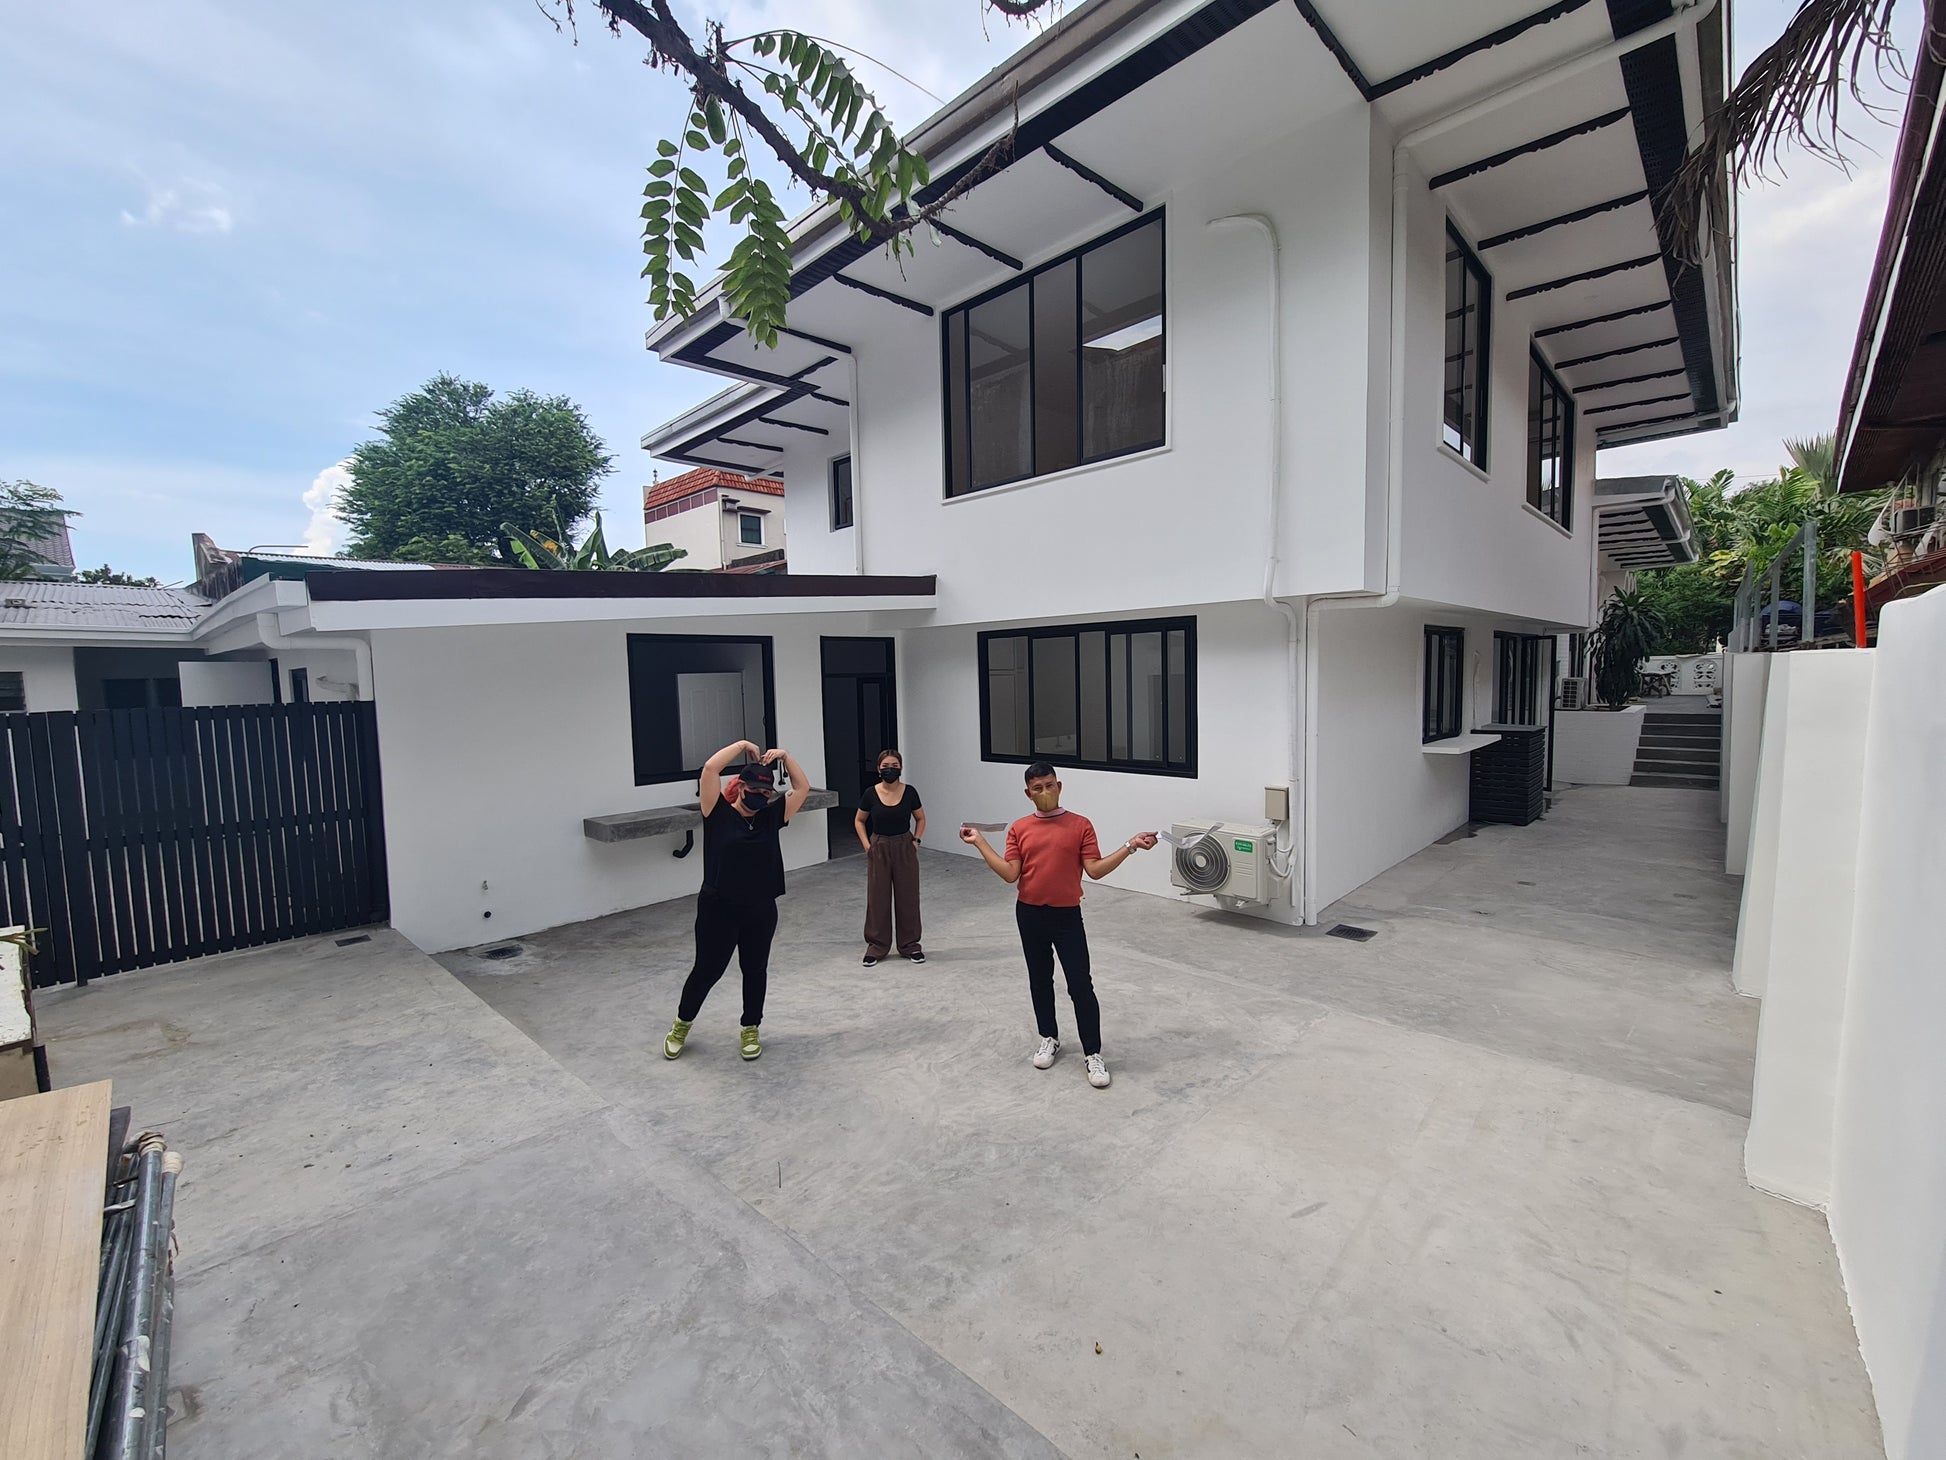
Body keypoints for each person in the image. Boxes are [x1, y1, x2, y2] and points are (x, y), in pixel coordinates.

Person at [959, 761, 1158, 1090]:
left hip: (1067, 917)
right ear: (1028, 793)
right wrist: (980, 842)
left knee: (1080, 985)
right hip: (1029, 914)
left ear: (1059, 786)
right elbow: (1010, 874)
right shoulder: (1020, 828)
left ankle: (1092, 1052)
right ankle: (1048, 1037)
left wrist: (1130, 845)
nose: (1045, 792)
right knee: (1040, 980)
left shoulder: (1080, 825)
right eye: (1038, 788)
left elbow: (1095, 870)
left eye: (1050, 785)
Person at [663, 738, 810, 1063]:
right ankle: (681, 1024)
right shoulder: (715, 813)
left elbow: (802, 788)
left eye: (766, 792)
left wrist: (785, 756)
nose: (760, 796)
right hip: (718, 909)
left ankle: (750, 1028)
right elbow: (710, 769)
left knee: (755, 970)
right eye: (754, 789)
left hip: (760, 909)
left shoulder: (772, 817)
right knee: (707, 970)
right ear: (741, 786)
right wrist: (742, 744)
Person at [855, 748, 927, 967]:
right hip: (879, 846)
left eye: (894, 766)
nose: (890, 770)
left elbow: (921, 818)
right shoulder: (870, 794)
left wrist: (916, 841)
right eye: (885, 766)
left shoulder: (910, 792)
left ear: (901, 768)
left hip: (904, 845)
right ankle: (876, 946)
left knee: (908, 897)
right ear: (878, 768)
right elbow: (859, 820)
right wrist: (867, 846)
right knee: (877, 898)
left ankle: (910, 945)